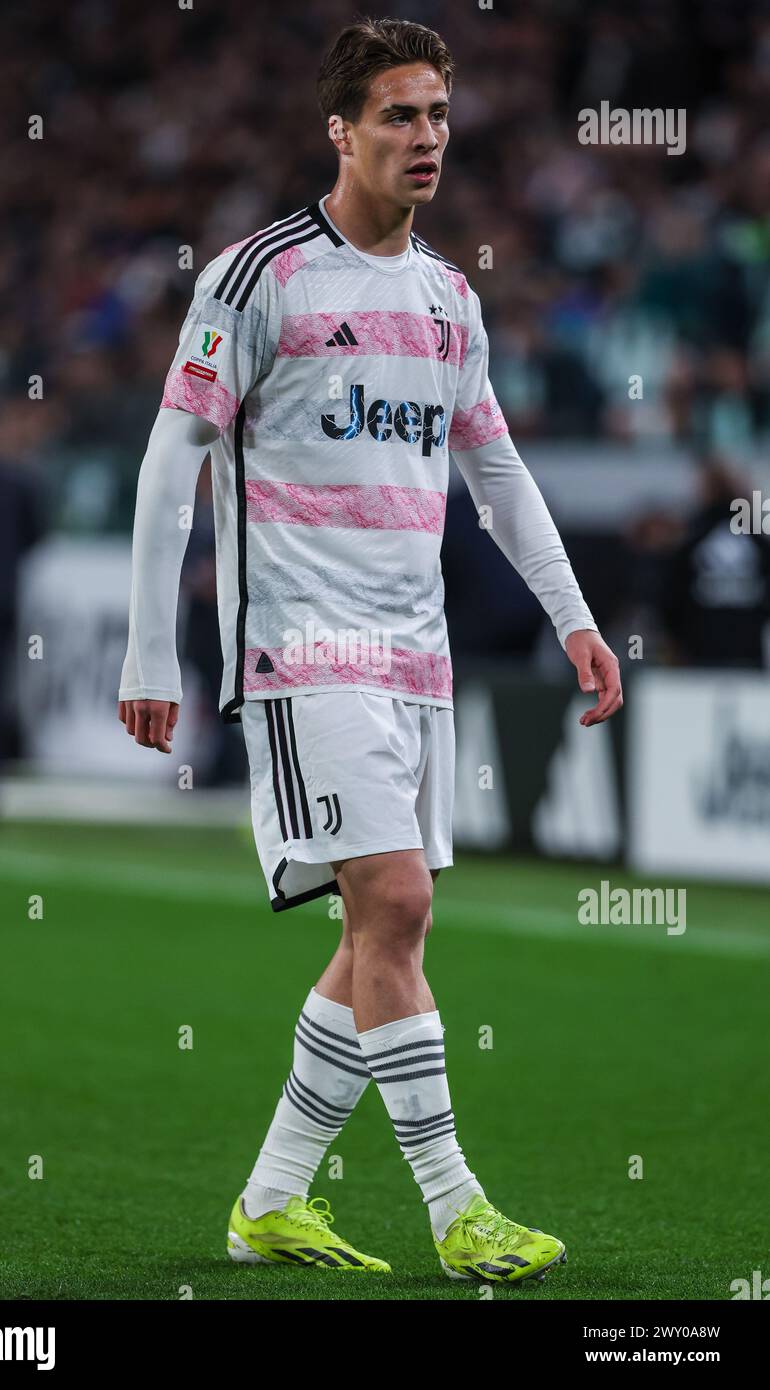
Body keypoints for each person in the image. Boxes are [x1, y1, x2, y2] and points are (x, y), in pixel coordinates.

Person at [118, 16, 622, 1284]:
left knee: (371, 939)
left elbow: (493, 468)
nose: (425, 139)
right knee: (394, 903)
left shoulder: (448, 300)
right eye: (398, 116)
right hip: (301, 646)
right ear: (338, 131)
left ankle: (268, 1201)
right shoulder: (256, 277)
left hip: (416, 657)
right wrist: (146, 650)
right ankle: (458, 1212)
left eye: (438, 115)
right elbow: (172, 451)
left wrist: (570, 614)